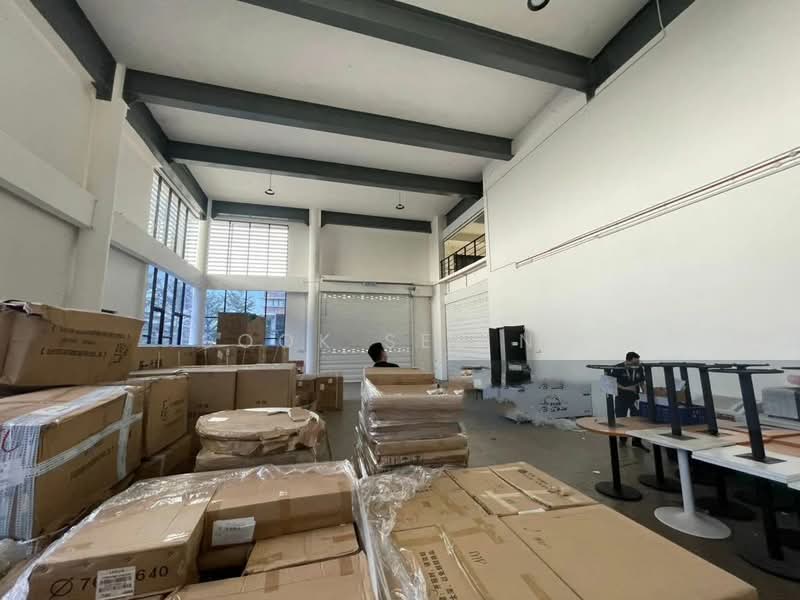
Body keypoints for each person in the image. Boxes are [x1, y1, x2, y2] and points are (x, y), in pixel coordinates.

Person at [613, 351, 648, 451]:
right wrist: (627, 388)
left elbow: (641, 382)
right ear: (627, 361)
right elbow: (612, 383)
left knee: (638, 419)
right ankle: (622, 440)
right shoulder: (618, 368)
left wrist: (645, 394)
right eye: (635, 363)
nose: (637, 365)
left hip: (635, 398)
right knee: (621, 419)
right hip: (621, 397)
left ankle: (637, 442)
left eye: (638, 362)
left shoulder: (639, 368)